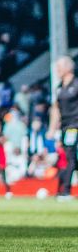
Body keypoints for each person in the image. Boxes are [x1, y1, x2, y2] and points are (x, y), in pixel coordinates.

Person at [50, 55, 77, 200]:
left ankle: (66, 191)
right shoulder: (59, 88)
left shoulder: (76, 84)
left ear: (68, 68)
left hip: (75, 125)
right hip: (65, 127)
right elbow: (55, 109)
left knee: (70, 156)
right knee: (68, 156)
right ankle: (63, 189)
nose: (57, 70)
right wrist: (52, 128)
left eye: (59, 67)